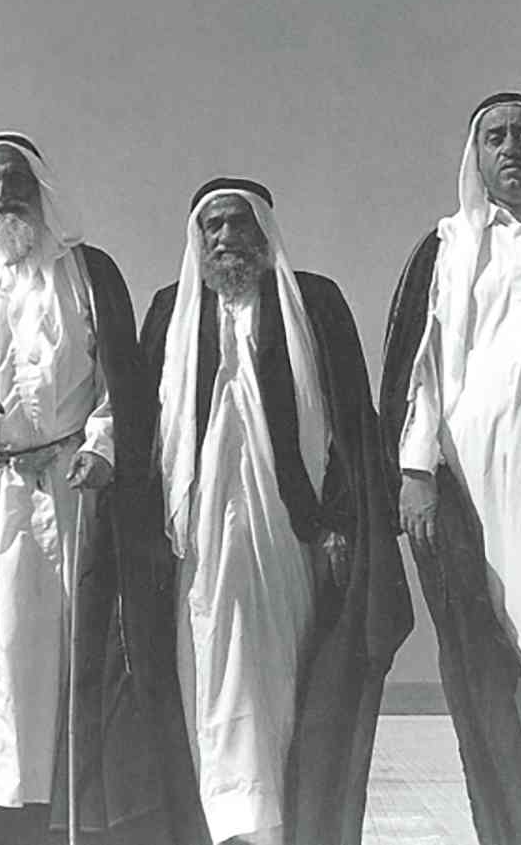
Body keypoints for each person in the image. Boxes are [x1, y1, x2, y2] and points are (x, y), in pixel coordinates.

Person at [0, 133, 169, 845]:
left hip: (68, 497)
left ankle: (65, 824)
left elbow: (120, 384)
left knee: (70, 663)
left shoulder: (86, 273)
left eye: (13, 180)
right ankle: (1, 822)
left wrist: (102, 447)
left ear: (40, 186)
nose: (2, 195)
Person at [140, 179, 410, 845]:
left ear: (263, 232)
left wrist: (341, 519)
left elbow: (350, 418)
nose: (226, 238)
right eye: (212, 227)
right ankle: (227, 824)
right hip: (197, 542)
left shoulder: (312, 302)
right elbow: (141, 421)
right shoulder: (171, 310)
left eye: (238, 224)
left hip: (289, 533)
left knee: (283, 677)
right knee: (208, 673)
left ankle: (278, 823)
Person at [381, 92, 521, 845]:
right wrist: (416, 470)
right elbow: (418, 370)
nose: (511, 147)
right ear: (475, 157)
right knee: (488, 672)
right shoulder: (448, 248)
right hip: (467, 497)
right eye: (495, 137)